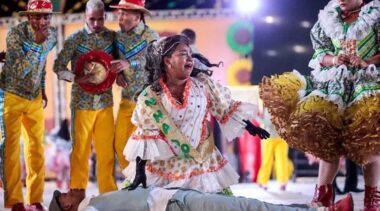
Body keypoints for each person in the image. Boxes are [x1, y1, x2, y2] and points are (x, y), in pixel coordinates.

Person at [259, 0, 380, 210]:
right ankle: (323, 196)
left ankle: (372, 199)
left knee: (368, 143)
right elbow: (319, 54)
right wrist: (335, 60)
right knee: (328, 143)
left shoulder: (375, 15)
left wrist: (366, 61)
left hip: (366, 84)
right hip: (335, 88)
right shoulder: (328, 17)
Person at [53, 0, 118, 203]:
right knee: (80, 151)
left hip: (105, 102)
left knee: (106, 151)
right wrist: (75, 77)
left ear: (105, 17)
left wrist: (122, 73)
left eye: (100, 19)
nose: (97, 23)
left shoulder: (112, 37)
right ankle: (77, 193)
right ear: (85, 18)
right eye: (92, 19)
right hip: (81, 104)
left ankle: (109, 195)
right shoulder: (74, 38)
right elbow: (58, 66)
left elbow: (117, 63)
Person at [0, 0, 59, 210]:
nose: (41, 21)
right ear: (28, 17)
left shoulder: (52, 35)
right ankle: (15, 200)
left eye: (46, 16)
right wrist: (36, 43)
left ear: (51, 17)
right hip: (11, 95)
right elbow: (18, 71)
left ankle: (35, 200)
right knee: (11, 150)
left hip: (34, 98)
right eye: (36, 16)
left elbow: (41, 65)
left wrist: (42, 88)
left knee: (36, 150)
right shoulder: (15, 34)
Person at [109, 0, 159, 175]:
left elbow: (155, 61)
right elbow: (115, 62)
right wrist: (118, 73)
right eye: (119, 13)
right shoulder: (117, 37)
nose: (119, 17)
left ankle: (147, 183)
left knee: (146, 146)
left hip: (148, 101)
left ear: (137, 16)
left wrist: (129, 63)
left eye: (124, 14)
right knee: (120, 144)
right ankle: (132, 179)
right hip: (127, 99)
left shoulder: (150, 35)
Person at [49, 187, 353, 211]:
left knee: (249, 206)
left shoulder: (95, 200)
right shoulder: (91, 209)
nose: (69, 189)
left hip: (177, 197)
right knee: (247, 206)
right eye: (63, 193)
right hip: (177, 205)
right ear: (67, 206)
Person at [257, 109, 292, 191]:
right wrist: (257, 117)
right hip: (269, 137)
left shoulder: (284, 106)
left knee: (282, 160)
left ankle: (283, 182)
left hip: (282, 137)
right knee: (267, 160)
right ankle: (262, 181)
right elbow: (267, 123)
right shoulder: (268, 108)